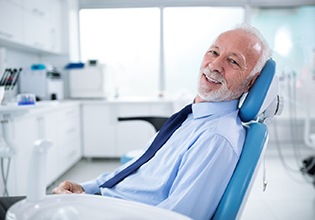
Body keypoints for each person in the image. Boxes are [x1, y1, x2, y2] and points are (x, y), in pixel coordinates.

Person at [0, 23, 272, 220]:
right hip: (103, 202)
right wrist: (87, 189)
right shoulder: (192, 118)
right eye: (214, 52)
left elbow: (176, 217)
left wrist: (89, 208)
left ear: (252, 82)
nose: (215, 65)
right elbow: (141, 169)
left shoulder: (217, 138)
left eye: (233, 61)